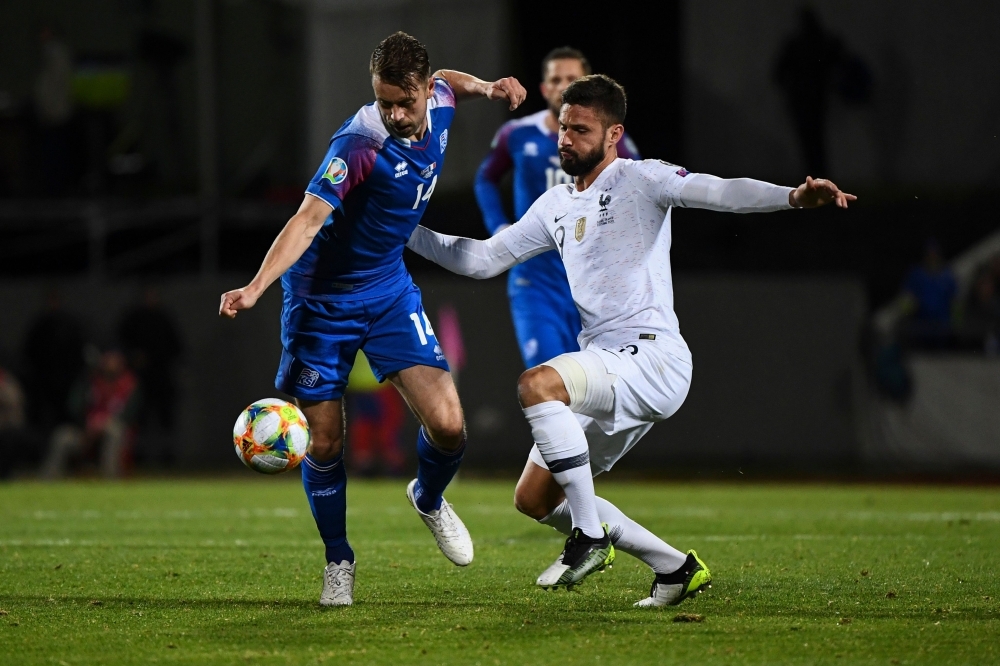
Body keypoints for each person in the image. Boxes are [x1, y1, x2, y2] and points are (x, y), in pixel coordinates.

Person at [406, 74, 855, 607]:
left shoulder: (642, 179)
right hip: (606, 361)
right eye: (564, 127)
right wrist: (401, 229)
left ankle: (591, 535)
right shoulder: (555, 205)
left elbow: (719, 190)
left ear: (614, 133)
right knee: (534, 498)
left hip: (653, 357)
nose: (566, 138)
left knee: (537, 385)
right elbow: (480, 260)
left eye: (581, 129)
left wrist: (794, 197)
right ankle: (675, 568)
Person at [218, 32, 527, 607]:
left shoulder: (437, 100)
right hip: (320, 303)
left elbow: (450, 84)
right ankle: (339, 559)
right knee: (327, 444)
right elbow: (308, 219)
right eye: (383, 101)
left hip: (387, 292)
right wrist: (257, 286)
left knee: (450, 425)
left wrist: (485, 86)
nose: (393, 112)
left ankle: (428, 498)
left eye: (402, 102)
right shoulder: (359, 143)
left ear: (422, 89)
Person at [475, 47, 640, 368]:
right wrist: (499, 227)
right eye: (556, 79)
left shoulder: (611, 140)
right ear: (543, 88)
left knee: (596, 394)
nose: (564, 86)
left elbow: (636, 192)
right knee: (551, 381)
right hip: (536, 280)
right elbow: (485, 179)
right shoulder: (518, 134)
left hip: (595, 282)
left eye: (572, 79)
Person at [42, 348, 140, 479]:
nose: (111, 363)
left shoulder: (130, 384)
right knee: (62, 436)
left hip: (115, 430)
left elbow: (132, 413)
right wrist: (87, 423)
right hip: (86, 431)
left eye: (115, 360)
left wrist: (103, 422)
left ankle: (110, 480)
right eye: (108, 359)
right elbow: (73, 406)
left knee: (115, 431)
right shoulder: (89, 381)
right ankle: (46, 480)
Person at [117, 286, 184, 465]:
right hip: (140, 380)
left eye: (153, 295)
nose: (150, 299)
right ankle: (137, 455)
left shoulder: (164, 319)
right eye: (147, 295)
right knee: (140, 418)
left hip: (162, 378)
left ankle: (167, 456)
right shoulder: (133, 319)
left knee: (165, 419)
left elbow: (177, 347)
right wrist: (133, 357)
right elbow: (122, 345)